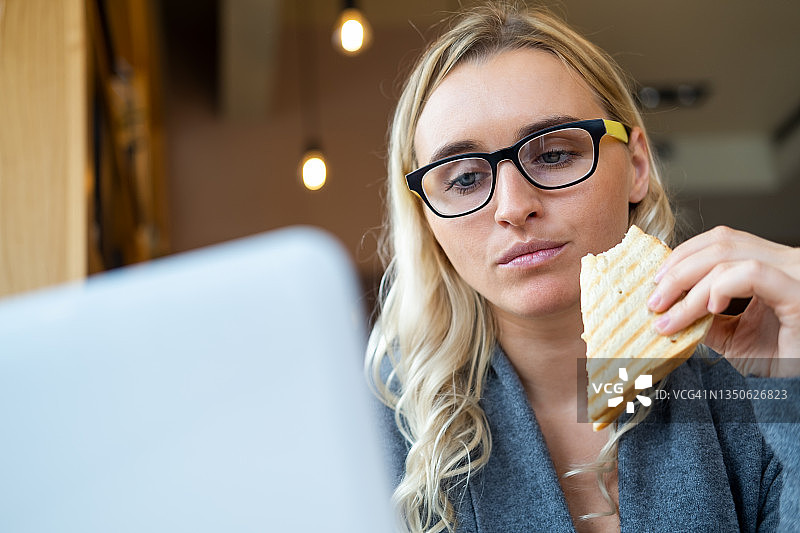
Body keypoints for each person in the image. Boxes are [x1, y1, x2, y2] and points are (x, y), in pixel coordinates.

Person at [365, 2, 800, 532]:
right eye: (463, 178)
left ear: (637, 166)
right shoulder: (372, 439)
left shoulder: (759, 388)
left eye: (553, 155)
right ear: (426, 218)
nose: (512, 206)